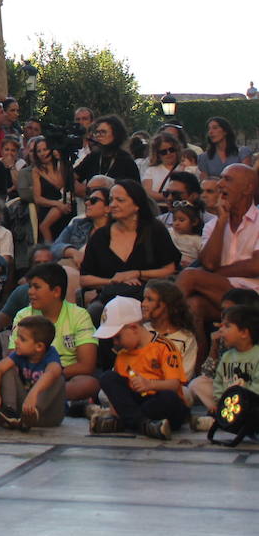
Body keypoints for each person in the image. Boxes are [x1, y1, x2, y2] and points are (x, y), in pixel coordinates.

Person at [176, 163, 259, 363]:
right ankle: (200, 360)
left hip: (252, 297)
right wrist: (222, 221)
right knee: (194, 305)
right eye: (221, 178)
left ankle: (159, 324)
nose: (220, 184)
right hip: (221, 295)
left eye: (227, 180)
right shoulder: (213, 225)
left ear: (248, 188)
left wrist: (218, 273)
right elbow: (209, 263)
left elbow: (256, 266)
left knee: (189, 275)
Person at [87, 297, 187, 438]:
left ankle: (126, 423)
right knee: (108, 377)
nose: (115, 343)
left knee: (169, 398)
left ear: (133, 328)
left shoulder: (165, 347)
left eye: (118, 337)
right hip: (137, 403)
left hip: (160, 402)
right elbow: (120, 392)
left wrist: (149, 384)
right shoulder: (122, 355)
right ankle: (143, 425)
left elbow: (174, 384)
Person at [7, 262, 100, 402]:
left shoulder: (79, 315)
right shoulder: (23, 315)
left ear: (56, 291)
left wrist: (49, 375)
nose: (30, 291)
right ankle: (48, 401)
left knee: (88, 383)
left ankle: (36, 400)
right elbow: (13, 356)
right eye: (30, 286)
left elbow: (87, 365)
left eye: (36, 287)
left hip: (62, 378)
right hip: (28, 377)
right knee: (7, 373)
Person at [80, 180, 180, 308]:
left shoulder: (155, 230)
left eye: (120, 200)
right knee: (96, 309)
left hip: (148, 297)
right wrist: (113, 281)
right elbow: (84, 279)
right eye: (111, 200)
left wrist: (137, 274)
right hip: (110, 299)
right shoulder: (100, 236)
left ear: (137, 205)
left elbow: (169, 270)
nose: (113, 205)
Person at [0, 315, 65, 429]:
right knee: (8, 369)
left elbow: (52, 372)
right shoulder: (19, 354)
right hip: (25, 408)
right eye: (17, 337)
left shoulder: (50, 355)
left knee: (57, 378)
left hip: (48, 414)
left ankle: (31, 416)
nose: (16, 341)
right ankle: (10, 412)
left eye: (22, 339)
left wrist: (34, 393)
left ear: (39, 346)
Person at [142, 279, 197, 380]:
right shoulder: (141, 331)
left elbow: (184, 377)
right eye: (144, 299)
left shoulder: (186, 338)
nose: (143, 304)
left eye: (149, 300)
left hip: (167, 390)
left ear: (166, 306)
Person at [73, 115, 141, 195]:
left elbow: (135, 191)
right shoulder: (93, 157)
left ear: (116, 134)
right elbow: (72, 176)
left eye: (103, 132)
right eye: (97, 132)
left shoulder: (126, 160)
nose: (98, 135)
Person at [28, 136, 74, 242]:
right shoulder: (36, 170)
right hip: (48, 208)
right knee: (44, 227)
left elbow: (60, 185)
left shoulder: (62, 164)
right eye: (39, 151)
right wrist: (57, 204)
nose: (43, 153)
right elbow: (38, 199)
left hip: (66, 207)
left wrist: (59, 160)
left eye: (45, 149)